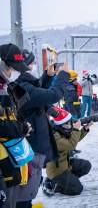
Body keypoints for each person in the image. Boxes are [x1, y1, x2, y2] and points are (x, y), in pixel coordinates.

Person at [15, 50, 70, 208]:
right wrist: (63, 76)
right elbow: (52, 95)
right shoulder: (21, 86)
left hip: (32, 144)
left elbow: (38, 95)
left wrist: (48, 76)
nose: (33, 65)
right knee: (26, 190)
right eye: (31, 62)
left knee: (31, 185)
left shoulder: (21, 83)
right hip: (32, 146)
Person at [0, 43, 32, 208]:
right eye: (13, 68)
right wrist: (22, 128)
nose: (16, 73)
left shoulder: (5, 87)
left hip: (8, 159)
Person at [43, 107, 92, 196]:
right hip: (57, 172)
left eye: (70, 123)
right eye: (67, 124)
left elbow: (74, 140)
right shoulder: (54, 136)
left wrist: (84, 129)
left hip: (66, 165)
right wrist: (76, 129)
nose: (70, 126)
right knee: (77, 189)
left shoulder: (61, 130)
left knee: (86, 166)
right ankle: (53, 184)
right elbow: (71, 145)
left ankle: (68, 181)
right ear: (59, 124)